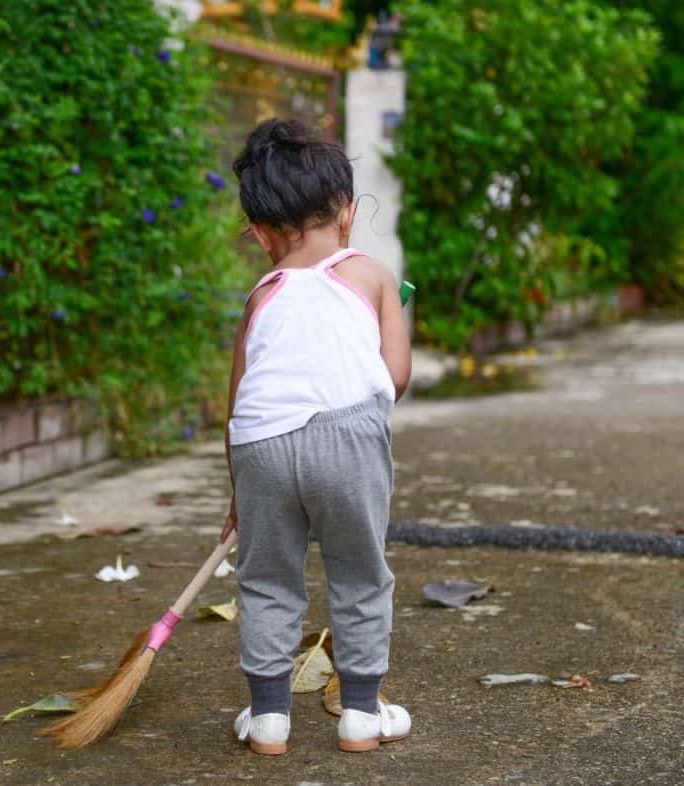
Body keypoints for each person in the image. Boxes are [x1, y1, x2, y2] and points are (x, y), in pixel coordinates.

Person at [220, 118, 412, 756]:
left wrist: (238, 489)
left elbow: (239, 396)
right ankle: (360, 714)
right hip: (347, 437)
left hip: (260, 446)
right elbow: (396, 377)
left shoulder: (263, 293)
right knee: (359, 572)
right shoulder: (372, 274)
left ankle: (269, 718)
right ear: (348, 215)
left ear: (263, 231)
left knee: (267, 577)